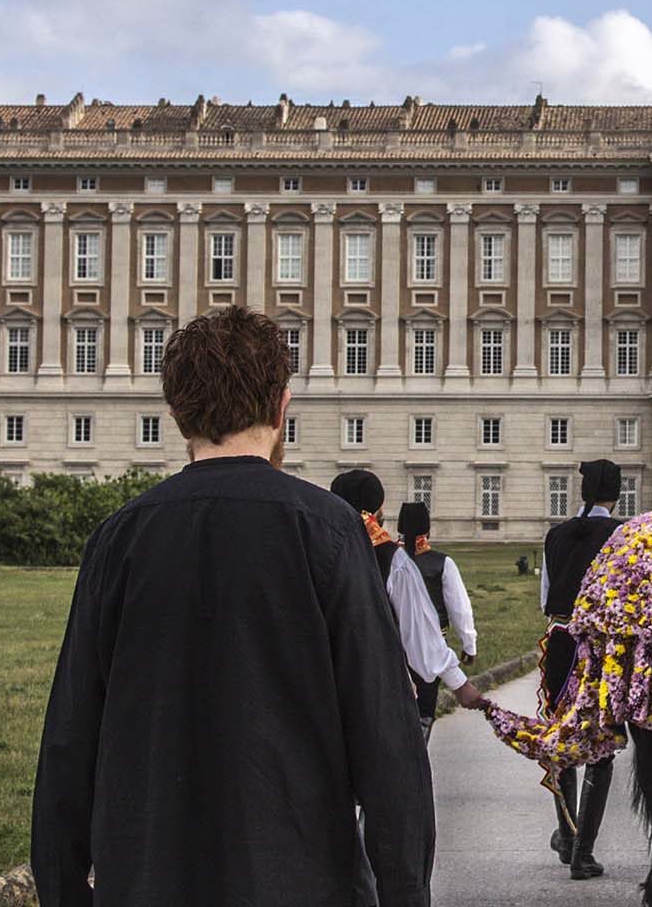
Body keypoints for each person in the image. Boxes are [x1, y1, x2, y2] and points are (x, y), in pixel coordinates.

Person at [32, 307, 454, 907]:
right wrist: (404, 892)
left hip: (147, 879)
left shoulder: (118, 537)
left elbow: (69, 743)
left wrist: (65, 890)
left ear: (176, 413)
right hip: (302, 878)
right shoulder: (328, 531)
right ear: (283, 406)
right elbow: (386, 739)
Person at [330, 471, 479, 907]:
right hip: (378, 700)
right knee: (395, 809)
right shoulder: (392, 561)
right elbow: (421, 638)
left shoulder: (309, 548)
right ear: (378, 510)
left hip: (316, 700)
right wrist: (460, 683)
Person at [537, 458, 626, 880]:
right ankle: (583, 853)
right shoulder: (621, 534)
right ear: (617, 492)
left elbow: (545, 599)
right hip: (600, 645)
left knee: (562, 739)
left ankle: (566, 833)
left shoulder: (555, 534)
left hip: (558, 641)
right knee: (601, 747)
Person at [396, 499, 479, 739]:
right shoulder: (442, 563)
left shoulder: (389, 561)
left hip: (393, 646)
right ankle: (417, 758)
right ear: (428, 530)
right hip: (432, 646)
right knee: (424, 710)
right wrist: (468, 644)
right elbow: (459, 608)